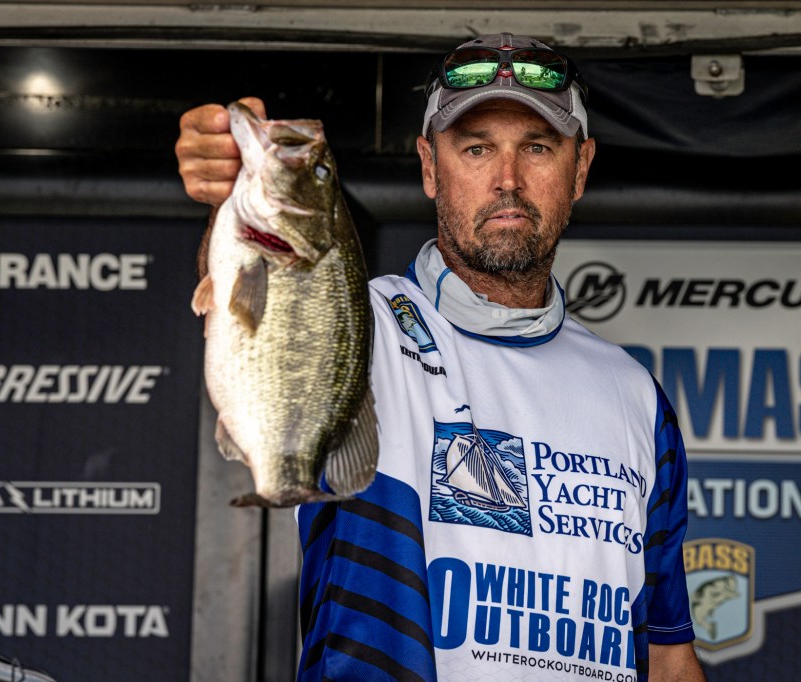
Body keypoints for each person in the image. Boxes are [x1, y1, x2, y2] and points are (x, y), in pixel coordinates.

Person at [177, 32, 705, 682]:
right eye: (476, 148)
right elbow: (267, 300)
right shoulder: (362, 325)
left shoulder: (636, 396)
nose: (507, 179)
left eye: (538, 147)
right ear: (429, 166)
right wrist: (230, 192)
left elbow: (669, 659)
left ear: (581, 169)